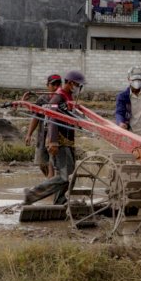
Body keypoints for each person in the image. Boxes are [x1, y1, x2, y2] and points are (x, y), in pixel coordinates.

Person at [23, 71, 86, 205]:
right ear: (70, 83)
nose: (79, 88)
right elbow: (52, 118)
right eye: (77, 85)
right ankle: (32, 194)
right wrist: (53, 141)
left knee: (69, 174)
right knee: (64, 176)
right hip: (59, 141)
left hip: (68, 141)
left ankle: (60, 199)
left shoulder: (68, 97)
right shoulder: (59, 97)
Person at [24, 74, 61, 178]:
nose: (56, 87)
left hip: (55, 136)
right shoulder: (42, 99)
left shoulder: (61, 99)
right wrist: (29, 134)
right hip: (42, 133)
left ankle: (51, 184)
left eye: (58, 84)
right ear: (47, 85)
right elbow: (36, 117)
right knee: (41, 163)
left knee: (51, 162)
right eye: (53, 84)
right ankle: (50, 183)